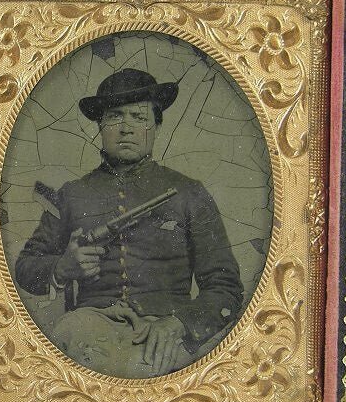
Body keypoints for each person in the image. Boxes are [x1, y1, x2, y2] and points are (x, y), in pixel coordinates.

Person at [15, 68, 243, 378]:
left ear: (155, 127)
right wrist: (61, 267)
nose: (126, 128)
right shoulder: (72, 194)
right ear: (100, 125)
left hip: (167, 330)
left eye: (139, 117)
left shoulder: (189, 193)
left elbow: (225, 288)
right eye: (115, 117)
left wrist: (179, 324)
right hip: (88, 332)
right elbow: (26, 267)